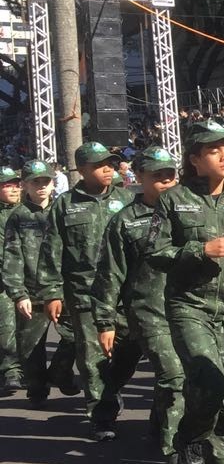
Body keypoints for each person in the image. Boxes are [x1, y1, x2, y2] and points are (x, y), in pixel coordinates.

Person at [145, 121, 224, 463]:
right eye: (214, 151)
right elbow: (155, 252)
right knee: (207, 379)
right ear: (195, 160)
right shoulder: (173, 199)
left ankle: (217, 456)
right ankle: (190, 439)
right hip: (191, 308)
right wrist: (201, 250)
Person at [90, 147, 185, 462]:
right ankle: (104, 413)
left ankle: (164, 433)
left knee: (171, 375)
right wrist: (105, 322)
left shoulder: (190, 211)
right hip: (142, 312)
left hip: (184, 310)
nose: (166, 181)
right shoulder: (125, 221)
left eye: (170, 174)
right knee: (127, 370)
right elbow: (109, 274)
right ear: (139, 178)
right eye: (157, 176)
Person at [39, 141, 133, 441]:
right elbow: (52, 250)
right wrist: (51, 292)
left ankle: (111, 388)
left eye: (110, 163)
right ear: (81, 170)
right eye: (99, 165)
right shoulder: (65, 204)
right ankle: (102, 415)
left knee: (131, 348)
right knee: (93, 357)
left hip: (125, 294)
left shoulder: (128, 200)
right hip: (84, 294)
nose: (108, 169)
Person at [3, 160, 78, 407]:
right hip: (32, 290)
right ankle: (37, 387)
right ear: (25, 185)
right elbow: (13, 256)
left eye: (46, 181)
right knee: (31, 346)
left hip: (61, 287)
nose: (42, 186)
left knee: (75, 336)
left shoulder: (63, 209)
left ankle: (60, 371)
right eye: (36, 182)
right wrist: (18, 293)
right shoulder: (18, 216)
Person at [0, 166, 21, 394]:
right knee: (7, 326)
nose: (14, 189)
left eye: (16, 184)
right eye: (8, 185)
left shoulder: (26, 213)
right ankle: (11, 371)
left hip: (27, 279)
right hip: (2, 281)